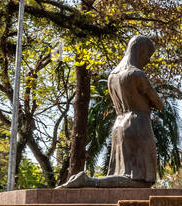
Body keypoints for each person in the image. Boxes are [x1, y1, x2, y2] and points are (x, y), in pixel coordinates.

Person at [61, 35, 164, 188]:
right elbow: (158, 103)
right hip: (138, 123)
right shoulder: (136, 74)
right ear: (140, 51)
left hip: (119, 125)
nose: (148, 60)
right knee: (139, 181)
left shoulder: (112, 76)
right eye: (148, 55)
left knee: (123, 174)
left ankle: (88, 181)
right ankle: (89, 181)